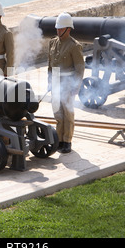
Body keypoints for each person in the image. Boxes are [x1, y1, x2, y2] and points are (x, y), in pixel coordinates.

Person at [47, 13, 85, 153]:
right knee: (57, 112)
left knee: (68, 113)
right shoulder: (52, 42)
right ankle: (59, 140)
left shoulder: (74, 46)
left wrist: (76, 86)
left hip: (68, 83)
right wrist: (49, 81)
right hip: (56, 81)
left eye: (61, 29)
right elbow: (50, 65)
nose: (58, 31)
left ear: (68, 29)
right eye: (57, 28)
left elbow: (80, 68)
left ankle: (67, 141)